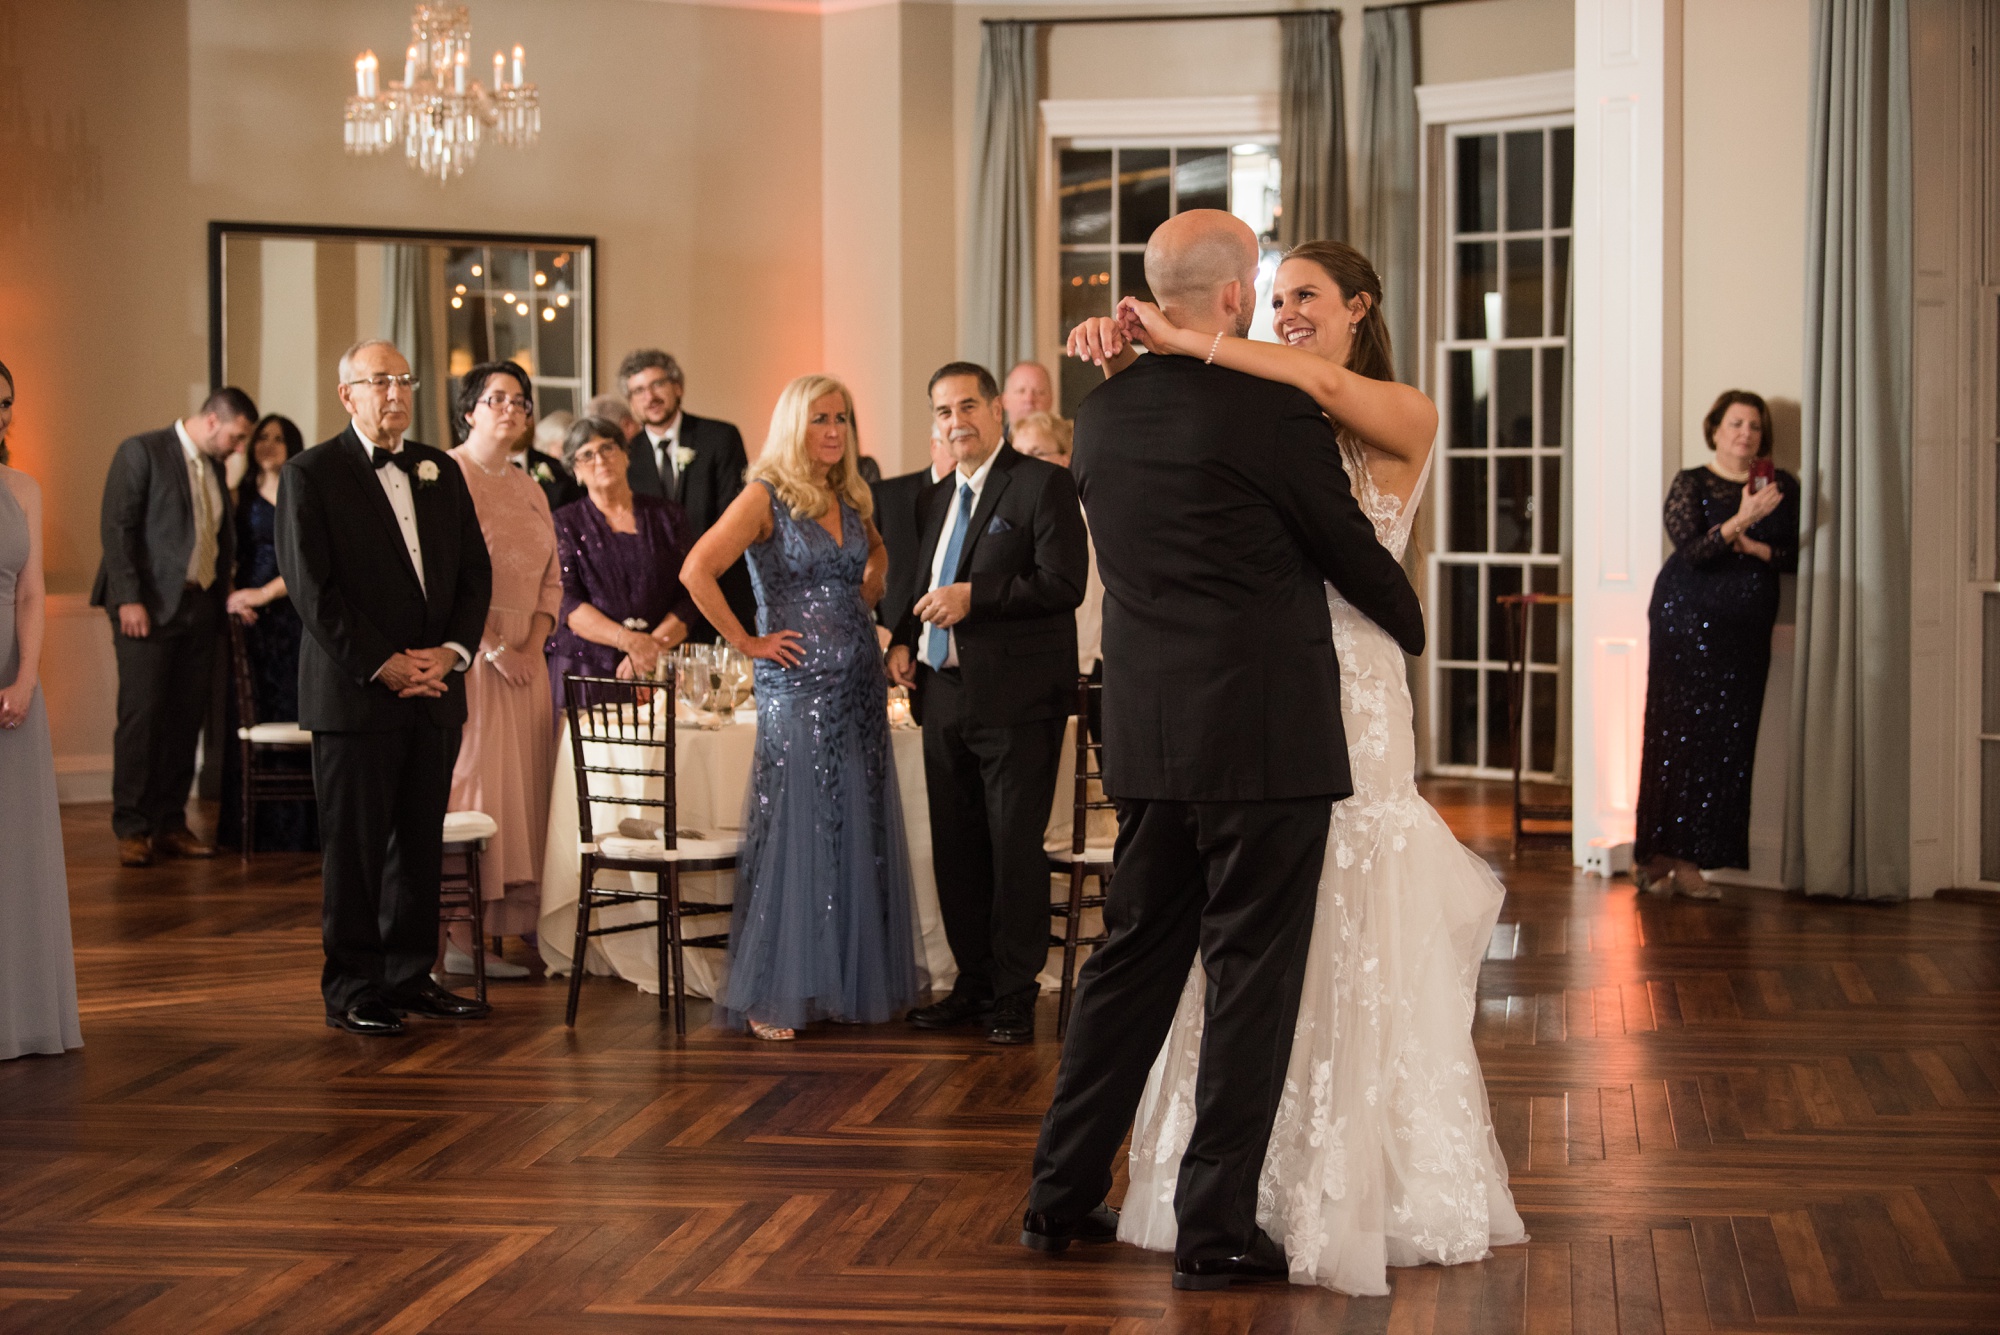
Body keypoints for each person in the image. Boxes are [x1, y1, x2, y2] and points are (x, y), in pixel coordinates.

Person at [1025, 214, 1437, 1291]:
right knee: (1249, 980)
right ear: (1232, 299)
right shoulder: (1272, 414)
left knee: (1129, 966)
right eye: (1263, 284)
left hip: (1152, 735)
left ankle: (1055, 1194)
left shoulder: (1102, 417)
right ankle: (1214, 1227)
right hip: (1266, 737)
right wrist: (1409, 620)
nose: (1272, 303)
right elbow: (1345, 550)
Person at [682, 374, 920, 1040]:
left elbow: (876, 553)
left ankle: (837, 979)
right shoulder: (766, 495)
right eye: (821, 418)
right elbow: (697, 568)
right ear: (795, 424)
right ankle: (771, 989)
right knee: (796, 828)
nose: (835, 430)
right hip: (797, 688)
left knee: (853, 826)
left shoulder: (849, 494)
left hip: (861, 689)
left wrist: (869, 587)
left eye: (842, 417)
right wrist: (747, 640)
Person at [276, 339, 493, 1037]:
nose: (395, 393)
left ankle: (409, 972)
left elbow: (474, 573)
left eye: (404, 379)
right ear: (347, 395)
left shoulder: (439, 469)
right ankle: (353, 985)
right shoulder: (311, 474)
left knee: (419, 842)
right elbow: (315, 592)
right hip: (355, 693)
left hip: (435, 690)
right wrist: (384, 662)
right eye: (379, 382)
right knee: (357, 846)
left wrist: (451, 653)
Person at [886, 363, 1089, 1046]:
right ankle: (971, 985)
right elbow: (923, 582)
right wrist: (904, 643)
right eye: (943, 411)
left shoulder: (1042, 483)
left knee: (1012, 851)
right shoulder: (937, 498)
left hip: (1017, 701)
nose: (955, 421)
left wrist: (978, 597)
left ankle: (1013, 992)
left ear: (997, 409)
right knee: (958, 851)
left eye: (967, 405)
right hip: (942, 698)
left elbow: (1064, 583)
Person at [1633, 391, 1799, 897]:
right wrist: (1743, 520)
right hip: (1685, 622)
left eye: (1754, 425)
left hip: (1744, 633)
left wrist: (1749, 542)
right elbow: (1694, 550)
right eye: (1735, 424)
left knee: (1728, 742)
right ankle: (1671, 858)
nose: (1745, 433)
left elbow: (1789, 557)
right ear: (1715, 429)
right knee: (1678, 738)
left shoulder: (1781, 485)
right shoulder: (1691, 482)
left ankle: (1686, 857)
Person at [91, 386, 256, 867]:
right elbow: (116, 529)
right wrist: (129, 599)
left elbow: (214, 536)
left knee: (186, 720)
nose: (239, 447)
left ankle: (169, 823)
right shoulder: (141, 451)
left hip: (199, 608)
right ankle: (132, 827)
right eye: (237, 436)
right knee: (143, 718)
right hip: (147, 608)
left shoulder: (216, 466)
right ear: (211, 421)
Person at [445, 362, 563, 978]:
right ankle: (459, 936)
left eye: (520, 401)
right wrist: (493, 647)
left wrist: (533, 645)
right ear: (470, 409)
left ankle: (510, 929)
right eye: (497, 399)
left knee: (525, 796)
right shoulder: (446, 474)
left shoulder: (531, 484)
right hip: (473, 658)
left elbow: (552, 580)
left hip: (527, 663)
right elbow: (443, 580)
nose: (511, 409)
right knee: (477, 789)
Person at [0, 358, 83, 1061]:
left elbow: (29, 594)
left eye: (5, 404)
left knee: (15, 852)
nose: (0, 415)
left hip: (11, 689)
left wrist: (25, 678)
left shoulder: (21, 487)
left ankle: (20, 1016)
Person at [545, 416, 696, 709]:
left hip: (660, 666)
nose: (600, 459)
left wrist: (650, 651)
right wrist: (630, 643)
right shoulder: (563, 523)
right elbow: (565, 601)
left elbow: (689, 595)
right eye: (586, 455)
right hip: (586, 671)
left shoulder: (669, 516)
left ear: (626, 455)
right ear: (575, 471)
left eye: (607, 448)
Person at [218, 413, 317, 852]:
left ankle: (303, 830)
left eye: (279, 439)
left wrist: (263, 593)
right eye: (263, 438)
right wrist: (238, 598)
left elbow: (308, 562)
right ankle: (252, 828)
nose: (269, 445)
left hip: (295, 616)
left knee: (300, 709)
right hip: (253, 624)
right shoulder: (237, 496)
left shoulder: (304, 494)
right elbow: (227, 557)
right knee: (252, 712)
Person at [618, 349, 754, 642]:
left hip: (722, 593)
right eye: (638, 391)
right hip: (659, 611)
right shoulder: (625, 455)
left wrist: (700, 573)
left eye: (658, 385)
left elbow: (733, 516)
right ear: (630, 403)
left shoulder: (720, 437)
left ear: (677, 387)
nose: (649, 397)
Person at [1009, 412, 1101, 678]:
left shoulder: (1084, 515)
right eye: (1019, 453)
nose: (1026, 463)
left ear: (1064, 459)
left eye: (1037, 453)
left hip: (1079, 657)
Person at [866, 422, 952, 634]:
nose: (959, 455)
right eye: (951, 445)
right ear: (934, 446)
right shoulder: (886, 497)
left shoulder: (985, 501)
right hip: (893, 641)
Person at [518, 409, 583, 512]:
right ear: (545, 445)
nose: (569, 455)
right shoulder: (532, 464)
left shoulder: (568, 479)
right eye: (563, 448)